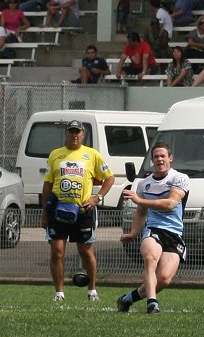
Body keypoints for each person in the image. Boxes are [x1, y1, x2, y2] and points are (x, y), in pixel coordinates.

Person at [41, 120, 115, 302]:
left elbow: (109, 178)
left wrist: (97, 197)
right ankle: (59, 293)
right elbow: (47, 185)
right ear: (66, 133)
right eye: (71, 132)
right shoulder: (55, 155)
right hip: (58, 209)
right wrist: (44, 212)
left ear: (83, 135)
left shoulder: (92, 155)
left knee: (85, 251)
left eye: (78, 132)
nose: (74, 135)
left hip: (83, 211)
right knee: (57, 251)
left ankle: (92, 290)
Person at [117, 142, 189, 314]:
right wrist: (134, 233)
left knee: (163, 279)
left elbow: (170, 203)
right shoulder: (144, 184)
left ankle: (127, 299)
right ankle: (152, 304)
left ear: (170, 158)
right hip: (153, 229)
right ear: (152, 161)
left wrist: (139, 200)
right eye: (156, 157)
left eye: (163, 156)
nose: (159, 159)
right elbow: (141, 213)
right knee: (150, 259)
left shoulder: (179, 178)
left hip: (174, 233)